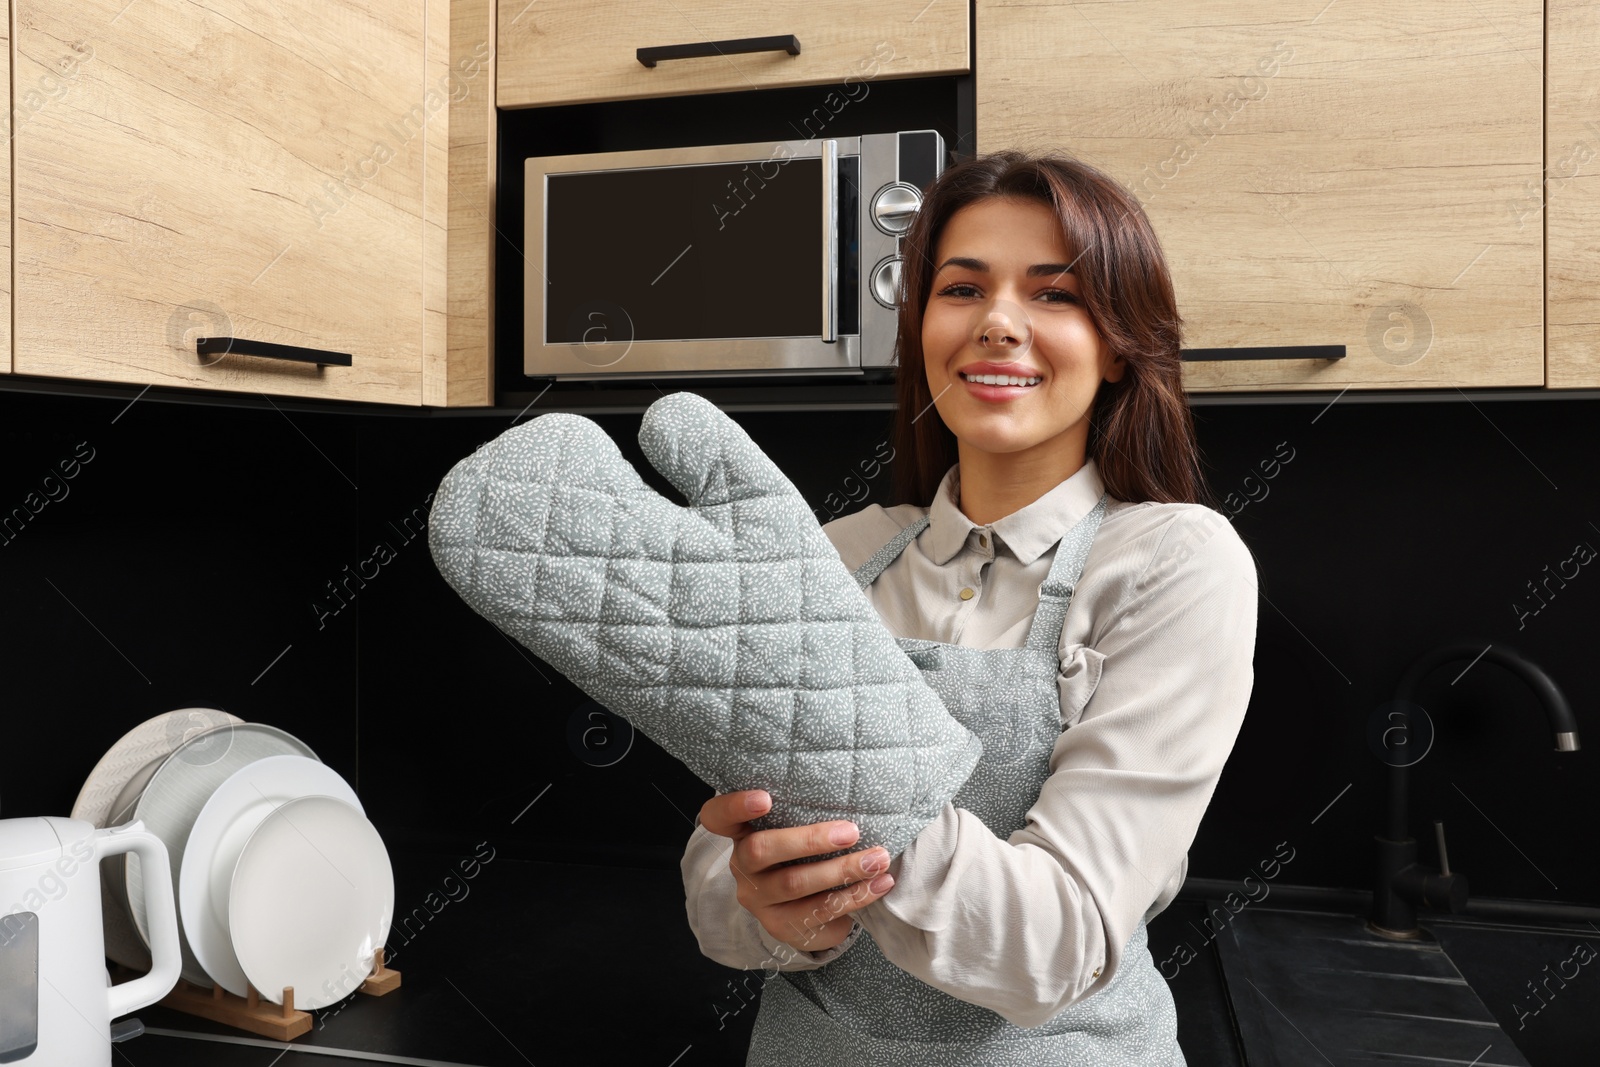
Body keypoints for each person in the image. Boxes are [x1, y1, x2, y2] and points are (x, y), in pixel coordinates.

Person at [681, 150, 1260, 1065]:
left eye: (1054, 294)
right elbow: (716, 890)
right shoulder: (834, 556)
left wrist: (850, 840)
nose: (998, 323)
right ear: (922, 328)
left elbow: (1055, 946)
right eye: (962, 288)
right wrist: (763, 904)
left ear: (1118, 344)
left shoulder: (1170, 565)